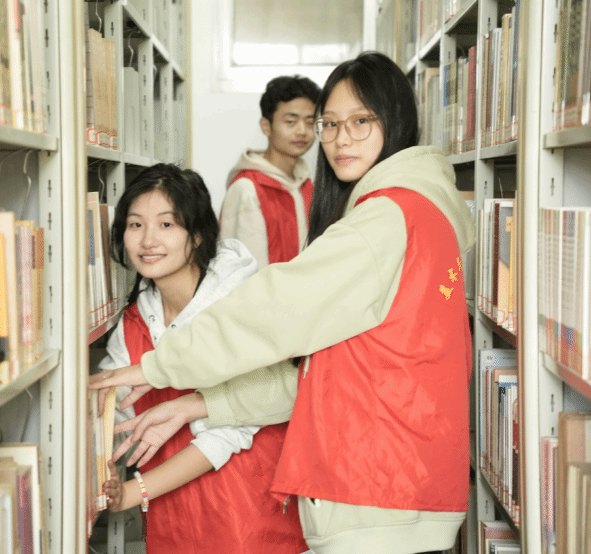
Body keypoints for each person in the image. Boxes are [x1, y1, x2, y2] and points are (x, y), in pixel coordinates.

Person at [92, 51, 477, 554]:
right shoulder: (417, 212)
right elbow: (326, 372)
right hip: (395, 486)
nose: (341, 139)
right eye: (330, 124)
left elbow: (275, 309)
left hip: (377, 486)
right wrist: (199, 403)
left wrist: (160, 366)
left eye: (361, 121)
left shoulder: (386, 218)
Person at [96, 163, 308, 554]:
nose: (148, 240)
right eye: (135, 224)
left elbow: (231, 430)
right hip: (174, 522)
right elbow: (117, 413)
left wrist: (132, 491)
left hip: (249, 518)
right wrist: (99, 456)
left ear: (196, 235)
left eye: (166, 224)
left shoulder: (238, 304)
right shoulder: (134, 321)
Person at [220, 74, 321, 268]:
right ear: (266, 126)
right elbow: (249, 273)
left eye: (310, 122)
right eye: (290, 121)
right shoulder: (248, 189)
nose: (302, 131)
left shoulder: (307, 186)